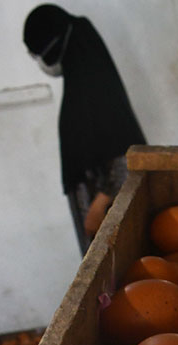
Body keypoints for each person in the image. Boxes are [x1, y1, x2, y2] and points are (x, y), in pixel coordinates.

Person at [23, 4, 146, 252]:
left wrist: (99, 204)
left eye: (37, 55)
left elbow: (126, 158)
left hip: (111, 221)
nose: (40, 63)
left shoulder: (93, 93)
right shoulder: (82, 90)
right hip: (101, 221)